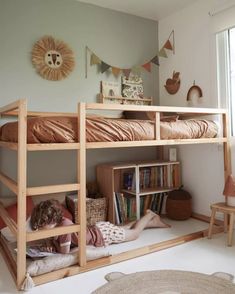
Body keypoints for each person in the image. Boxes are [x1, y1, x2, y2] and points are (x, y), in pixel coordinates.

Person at [30, 199, 170, 254]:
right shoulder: (59, 225)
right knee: (124, 229)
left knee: (134, 234)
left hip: (103, 234)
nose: (41, 228)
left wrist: (52, 248)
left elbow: (65, 253)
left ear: (52, 220)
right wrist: (50, 243)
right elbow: (57, 241)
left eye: (43, 225)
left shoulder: (65, 227)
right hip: (97, 229)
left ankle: (149, 215)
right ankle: (152, 223)